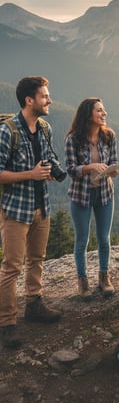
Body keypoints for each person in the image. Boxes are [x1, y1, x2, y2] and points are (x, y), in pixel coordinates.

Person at [0, 76, 62, 350]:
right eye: (45, 96)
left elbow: (49, 157)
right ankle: (6, 323)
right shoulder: (8, 131)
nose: (49, 100)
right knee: (12, 267)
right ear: (29, 100)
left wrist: (53, 171)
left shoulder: (45, 127)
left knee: (37, 259)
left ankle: (34, 306)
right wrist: (31, 174)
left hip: (41, 207)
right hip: (16, 210)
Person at [65, 98, 119, 300]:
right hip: (81, 195)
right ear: (88, 114)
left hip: (105, 193)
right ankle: (83, 281)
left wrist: (112, 171)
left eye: (104, 110)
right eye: (99, 111)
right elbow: (70, 170)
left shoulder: (109, 135)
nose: (104, 113)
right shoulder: (73, 139)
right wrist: (89, 168)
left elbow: (113, 161)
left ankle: (104, 278)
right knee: (82, 240)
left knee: (104, 239)